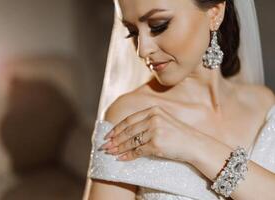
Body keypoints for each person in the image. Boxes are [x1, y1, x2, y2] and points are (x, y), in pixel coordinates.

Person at [83, 0, 275, 199]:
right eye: (133, 32)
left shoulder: (263, 104)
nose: (142, 50)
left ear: (215, 13)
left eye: (159, 25)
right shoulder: (129, 116)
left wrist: (193, 144)